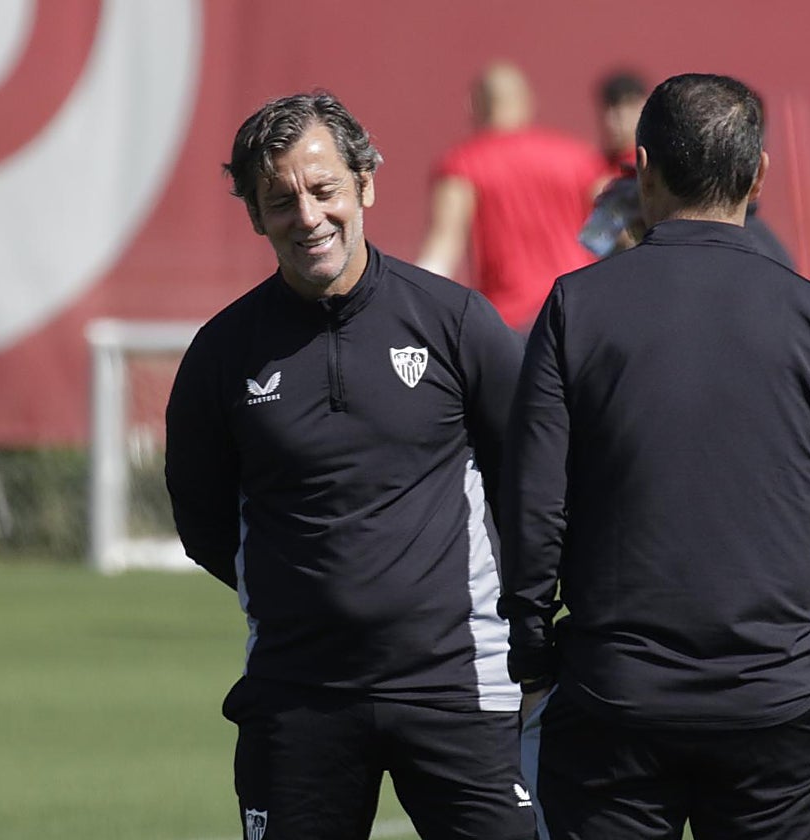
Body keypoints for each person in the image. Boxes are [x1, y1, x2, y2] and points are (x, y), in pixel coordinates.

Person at [499, 73, 810, 839]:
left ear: (641, 166)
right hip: (776, 706)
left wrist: (534, 659)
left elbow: (532, 504)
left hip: (611, 702)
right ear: (759, 174)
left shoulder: (575, 309)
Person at [165, 91, 535, 840]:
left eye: (324, 189)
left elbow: (532, 483)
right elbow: (201, 517)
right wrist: (295, 590)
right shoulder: (223, 352)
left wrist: (527, 627)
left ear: (364, 183)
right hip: (298, 695)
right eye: (281, 201)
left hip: (457, 687)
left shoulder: (456, 323)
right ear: (255, 216)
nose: (307, 217)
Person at [417, 61, 601, 331]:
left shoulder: (463, 164)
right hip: (580, 312)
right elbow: (610, 234)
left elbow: (444, 244)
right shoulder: (581, 159)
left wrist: (412, 303)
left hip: (511, 321)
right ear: (528, 100)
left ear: (473, 105)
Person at [591, 69, 648, 193]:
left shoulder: (650, 165)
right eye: (608, 113)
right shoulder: (595, 165)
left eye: (619, 115)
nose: (611, 122)